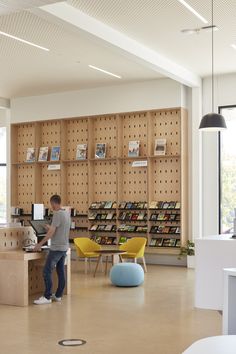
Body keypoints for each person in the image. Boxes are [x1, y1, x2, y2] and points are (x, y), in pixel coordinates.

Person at [33, 195, 71, 305]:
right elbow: (59, 229)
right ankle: (58, 295)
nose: (51, 207)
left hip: (56, 248)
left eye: (51, 204)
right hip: (64, 247)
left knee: (46, 271)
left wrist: (39, 244)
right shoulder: (66, 214)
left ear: (54, 203)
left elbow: (50, 234)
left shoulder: (57, 214)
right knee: (60, 272)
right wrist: (49, 227)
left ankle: (47, 296)